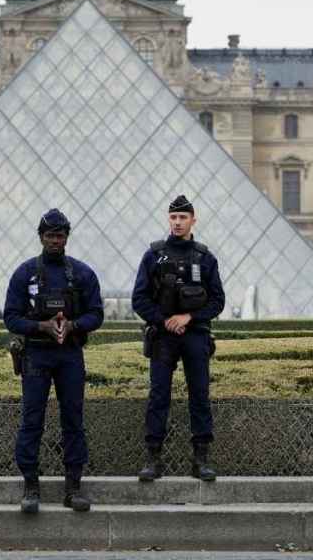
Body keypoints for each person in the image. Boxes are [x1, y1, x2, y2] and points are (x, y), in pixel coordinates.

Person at [3, 208, 104, 514]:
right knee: (32, 421)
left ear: (66, 237)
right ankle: (31, 486)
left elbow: (96, 314)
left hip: (70, 353)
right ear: (41, 237)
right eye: (49, 236)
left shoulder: (83, 274)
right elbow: (10, 317)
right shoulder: (24, 274)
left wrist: (73, 325)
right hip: (35, 353)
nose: (54, 241)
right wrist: (40, 326)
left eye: (59, 236)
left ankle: (73, 487)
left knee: (74, 420)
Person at [132, 195, 225, 482]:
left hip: (195, 335)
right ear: (168, 219)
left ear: (193, 220)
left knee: (200, 395)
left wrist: (189, 318)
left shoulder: (205, 257)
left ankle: (201, 460)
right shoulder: (153, 256)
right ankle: (153, 458)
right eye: (173, 217)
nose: (177, 222)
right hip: (163, 337)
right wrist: (165, 321)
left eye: (183, 217)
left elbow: (218, 301)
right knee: (158, 396)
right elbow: (140, 299)